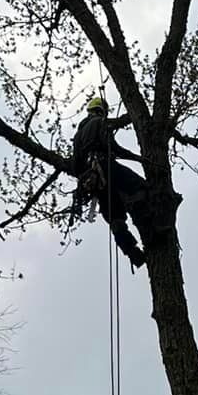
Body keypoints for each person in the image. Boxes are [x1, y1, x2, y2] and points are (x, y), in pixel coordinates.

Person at [69, 93, 149, 268]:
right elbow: (111, 146)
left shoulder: (77, 136)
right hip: (105, 165)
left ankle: (132, 252)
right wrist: (136, 157)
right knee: (140, 185)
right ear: (101, 112)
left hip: (94, 182)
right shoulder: (100, 122)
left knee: (115, 217)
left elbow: (75, 167)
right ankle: (148, 220)